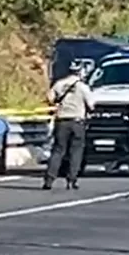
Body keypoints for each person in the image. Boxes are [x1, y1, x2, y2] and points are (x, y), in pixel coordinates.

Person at [43, 61, 95, 190]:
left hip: (61, 121)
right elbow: (91, 105)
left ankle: (49, 179)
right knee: (76, 151)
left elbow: (49, 98)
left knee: (58, 150)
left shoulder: (59, 84)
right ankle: (72, 179)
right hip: (77, 122)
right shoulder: (83, 87)